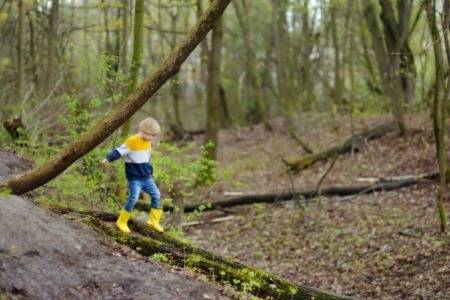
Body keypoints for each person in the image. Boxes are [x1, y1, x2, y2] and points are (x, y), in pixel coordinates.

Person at [102, 117, 164, 234]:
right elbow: (119, 151)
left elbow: (147, 158)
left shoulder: (148, 142)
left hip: (147, 177)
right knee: (134, 198)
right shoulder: (132, 141)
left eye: (154, 136)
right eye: (152, 135)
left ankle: (153, 221)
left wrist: (150, 170)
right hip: (135, 178)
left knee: (156, 194)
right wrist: (108, 159)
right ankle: (122, 221)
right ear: (145, 132)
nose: (153, 138)